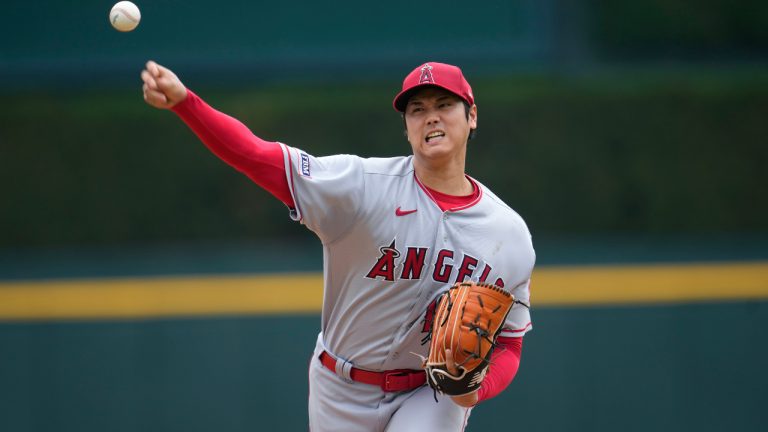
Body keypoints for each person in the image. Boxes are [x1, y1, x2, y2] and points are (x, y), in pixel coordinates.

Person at [141, 60, 535, 431]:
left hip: (431, 394)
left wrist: (473, 390)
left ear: (472, 116)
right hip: (341, 385)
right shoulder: (360, 185)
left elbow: (510, 346)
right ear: (407, 128)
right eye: (416, 109)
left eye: (445, 104)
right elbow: (259, 157)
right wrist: (185, 103)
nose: (430, 115)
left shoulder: (508, 233)